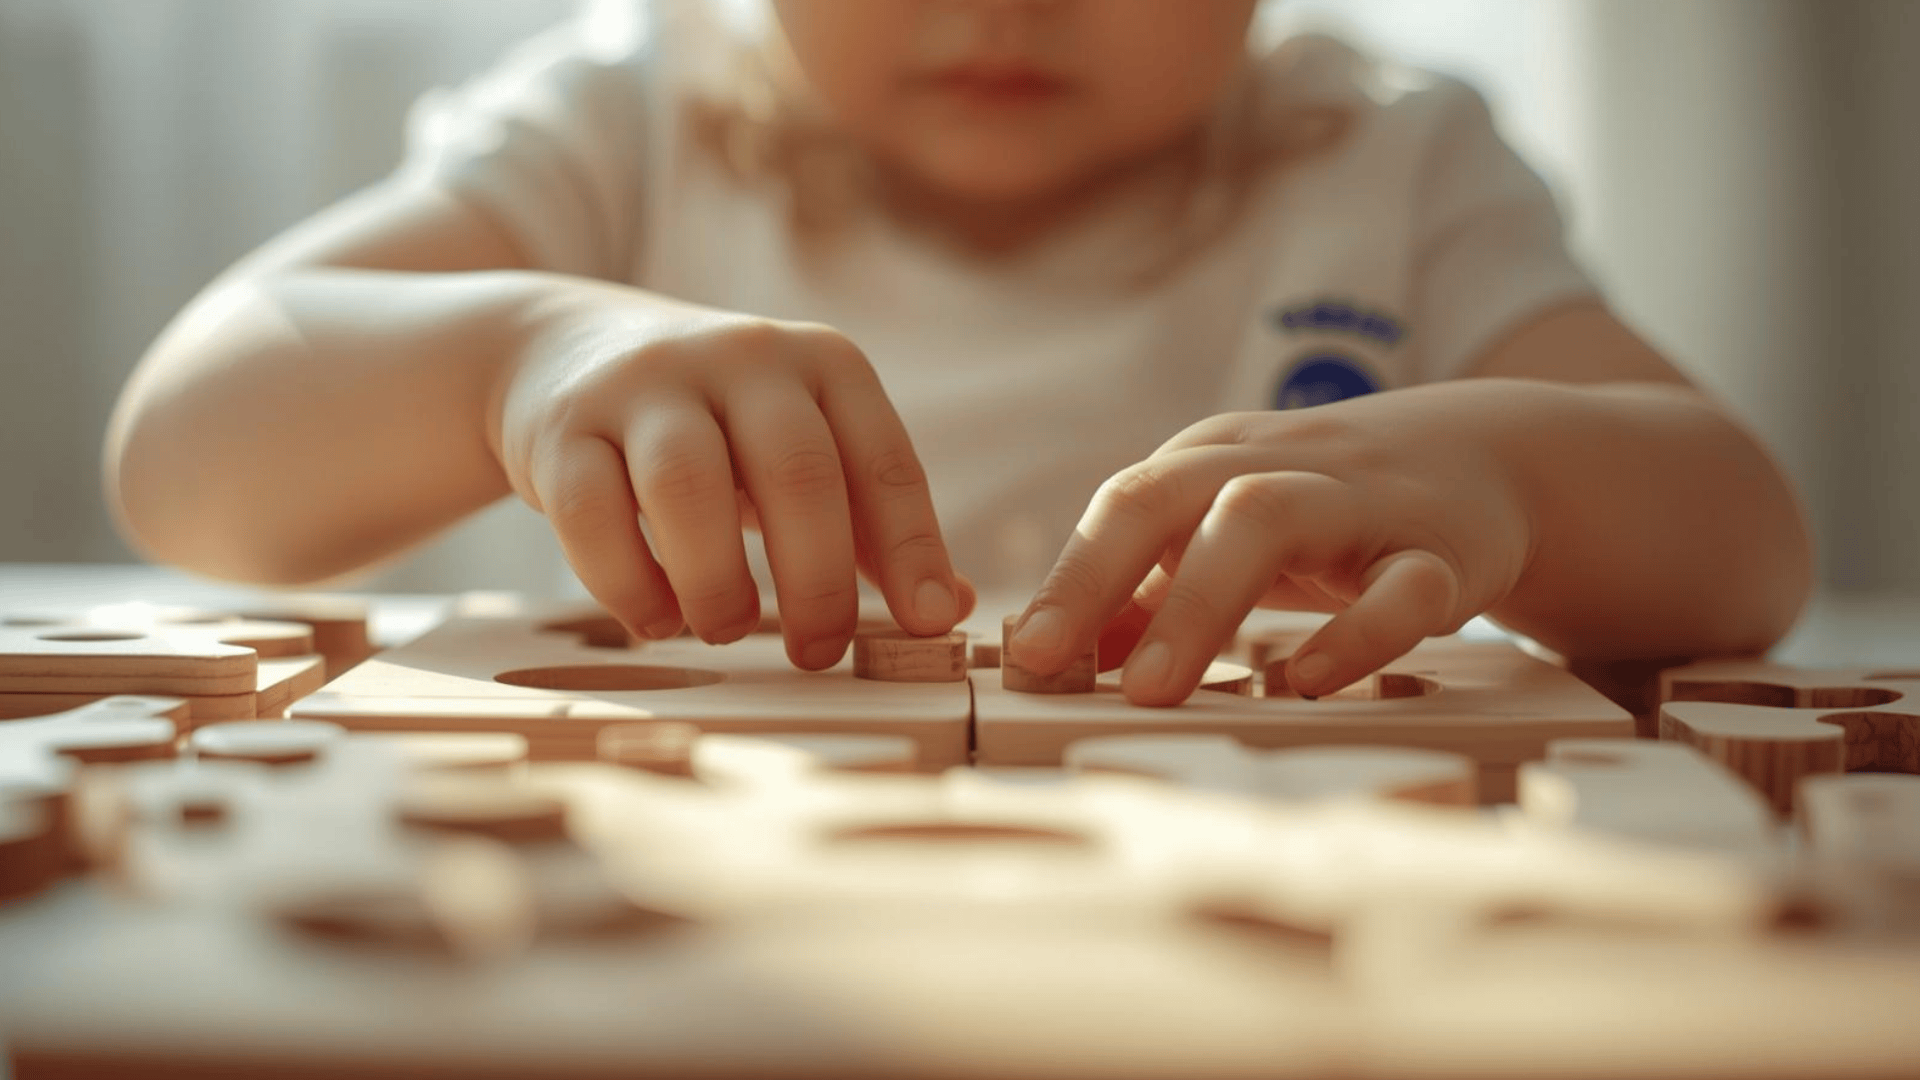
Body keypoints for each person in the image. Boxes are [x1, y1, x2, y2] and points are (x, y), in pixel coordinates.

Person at [103, 0, 1812, 707]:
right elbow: (186, 469)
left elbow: (1749, 540)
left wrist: (1512, 469)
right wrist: (510, 354)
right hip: (700, 910)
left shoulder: (1387, 157)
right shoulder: (629, 116)